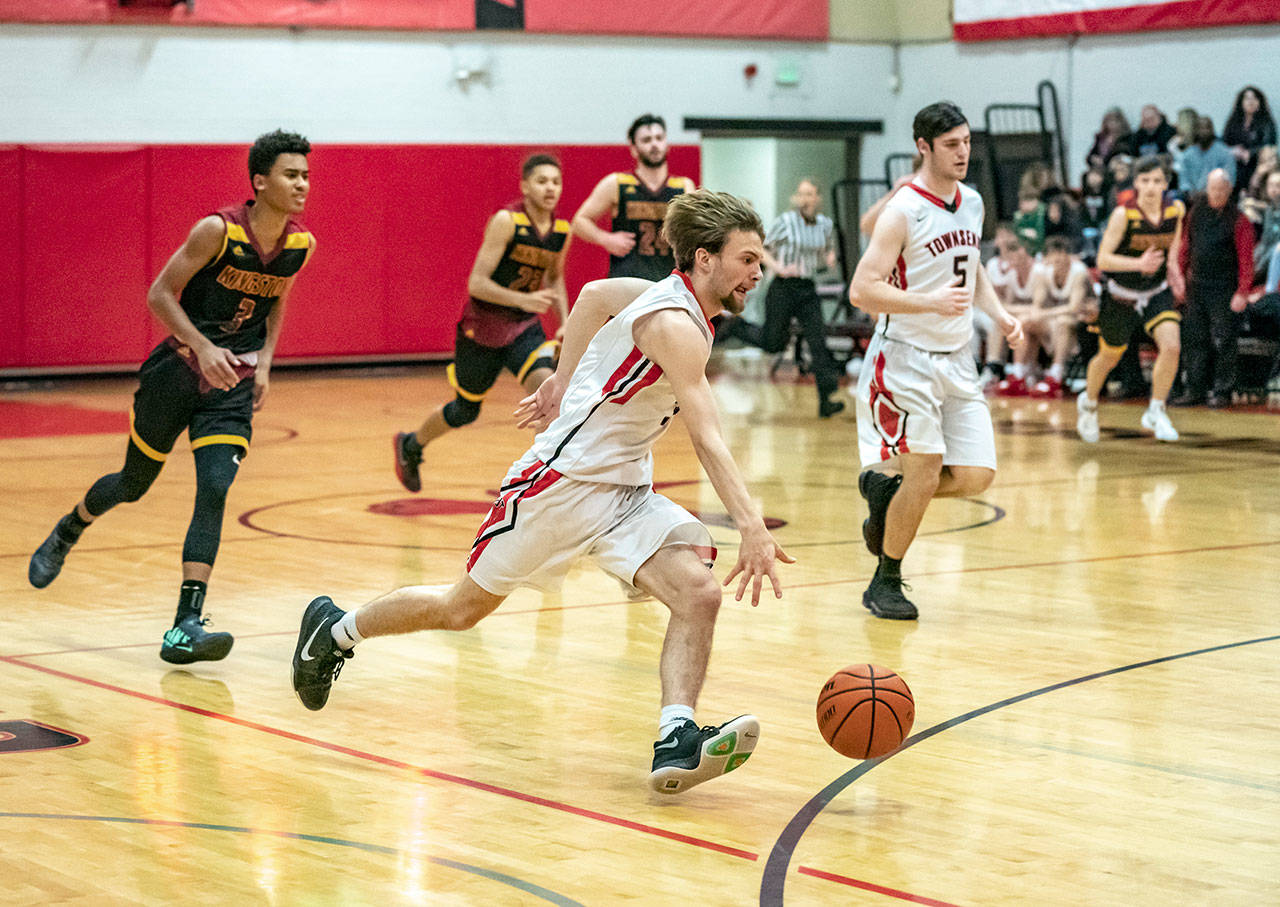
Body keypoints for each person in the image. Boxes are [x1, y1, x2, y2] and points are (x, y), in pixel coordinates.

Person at [291, 190, 793, 796]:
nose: (757, 273)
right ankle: (335, 629)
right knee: (461, 610)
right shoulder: (675, 324)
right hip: (561, 486)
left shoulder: (664, 297)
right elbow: (708, 437)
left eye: (759, 261)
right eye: (747, 259)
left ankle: (676, 737)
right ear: (705, 260)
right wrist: (751, 527)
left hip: (624, 489)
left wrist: (561, 374)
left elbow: (590, 297)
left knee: (698, 592)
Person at [28, 129, 315, 663]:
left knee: (215, 488)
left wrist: (268, 363)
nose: (302, 184)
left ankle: (185, 625)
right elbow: (158, 293)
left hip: (232, 385)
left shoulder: (300, 245)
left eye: (306, 175)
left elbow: (276, 302)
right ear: (260, 181)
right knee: (134, 483)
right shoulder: (216, 231)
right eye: (290, 174)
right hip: (177, 373)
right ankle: (70, 528)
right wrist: (201, 345)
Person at [849, 101, 1023, 621]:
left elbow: (971, 268)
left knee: (975, 475)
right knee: (925, 470)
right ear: (923, 147)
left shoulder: (971, 201)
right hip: (903, 357)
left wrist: (998, 313)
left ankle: (888, 497)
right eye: (952, 144)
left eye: (967, 141)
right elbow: (862, 289)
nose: (963, 152)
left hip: (956, 357)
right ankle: (886, 581)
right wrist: (928, 302)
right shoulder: (902, 209)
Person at [393, 154, 570, 491]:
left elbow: (555, 278)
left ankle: (542, 479)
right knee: (465, 411)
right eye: (542, 181)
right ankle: (411, 444)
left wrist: (565, 321)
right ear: (525, 186)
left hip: (524, 328)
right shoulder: (507, 221)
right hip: (483, 329)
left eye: (556, 182)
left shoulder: (561, 230)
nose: (550, 188)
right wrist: (523, 299)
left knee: (548, 392)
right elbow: (477, 283)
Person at [1076, 156, 1185, 443]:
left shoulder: (1176, 210)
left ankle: (1156, 410)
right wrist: (1139, 265)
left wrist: (1173, 266)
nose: (1151, 187)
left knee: (1172, 346)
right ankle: (1088, 404)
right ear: (1136, 183)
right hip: (1121, 296)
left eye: (1157, 181)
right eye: (1145, 181)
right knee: (1109, 356)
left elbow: (1174, 239)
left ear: (1166, 183)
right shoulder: (1123, 215)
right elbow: (1103, 259)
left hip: (1155, 292)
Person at [716, 178, 846, 417]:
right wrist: (779, 268)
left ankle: (826, 399)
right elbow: (761, 249)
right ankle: (736, 327)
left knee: (818, 341)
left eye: (810, 194)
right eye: (801, 194)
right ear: (796, 198)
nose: (805, 199)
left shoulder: (825, 225)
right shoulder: (786, 222)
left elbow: (827, 250)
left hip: (807, 287)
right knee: (774, 342)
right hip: (783, 288)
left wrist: (829, 258)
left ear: (818, 199)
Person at [571, 113, 696, 281]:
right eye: (646, 140)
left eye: (659, 138)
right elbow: (579, 221)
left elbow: (696, 232)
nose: (654, 144)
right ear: (633, 148)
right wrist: (606, 239)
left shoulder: (683, 186)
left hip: (669, 282)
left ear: (666, 144)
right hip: (626, 281)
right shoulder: (617, 183)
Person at [1173, 169, 1255, 407]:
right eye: (1213, 188)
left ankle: (1222, 391)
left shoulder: (1240, 221)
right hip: (1196, 287)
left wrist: (1242, 292)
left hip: (1225, 289)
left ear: (1229, 190)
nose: (1216, 193)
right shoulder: (1196, 212)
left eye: (1221, 189)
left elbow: (1246, 260)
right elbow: (1185, 248)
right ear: (1206, 188)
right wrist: (1179, 278)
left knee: (1223, 341)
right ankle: (1195, 389)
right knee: (1194, 339)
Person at [1025, 236, 1089, 397]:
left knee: (1062, 321)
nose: (1057, 258)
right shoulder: (1044, 272)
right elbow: (1037, 305)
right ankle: (1026, 373)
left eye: (1061, 254)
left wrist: (1046, 313)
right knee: (1028, 322)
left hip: (1084, 320)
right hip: (1057, 319)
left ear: (1068, 255)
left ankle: (1056, 374)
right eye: (1053, 255)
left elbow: (1074, 308)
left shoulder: (1079, 271)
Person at [993, 233, 1041, 396]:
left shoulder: (1038, 271)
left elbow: (1039, 308)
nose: (1012, 260)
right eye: (1011, 255)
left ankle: (1022, 373)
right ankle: (1012, 372)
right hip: (1028, 318)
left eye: (1017, 253)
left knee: (1023, 321)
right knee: (1015, 321)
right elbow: (1006, 305)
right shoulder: (1013, 273)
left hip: (1050, 317)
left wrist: (1017, 311)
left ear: (1025, 253)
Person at [1223, 86, 1277, 192]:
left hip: (1257, 166)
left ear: (1259, 102)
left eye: (1254, 98)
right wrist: (1232, 151)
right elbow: (1224, 143)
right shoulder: (1234, 121)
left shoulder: (1266, 122)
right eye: (1247, 98)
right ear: (1241, 102)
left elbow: (1269, 146)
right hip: (1235, 166)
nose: (1250, 102)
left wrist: (1250, 153)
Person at [1180, 117, 1237, 194]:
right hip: (1192, 199)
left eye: (1207, 128)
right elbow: (1184, 181)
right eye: (1200, 128)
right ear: (1195, 131)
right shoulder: (1188, 155)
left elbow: (1229, 180)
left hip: (1218, 197)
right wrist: (1190, 192)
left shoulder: (1224, 153)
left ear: (1212, 130)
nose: (1203, 132)